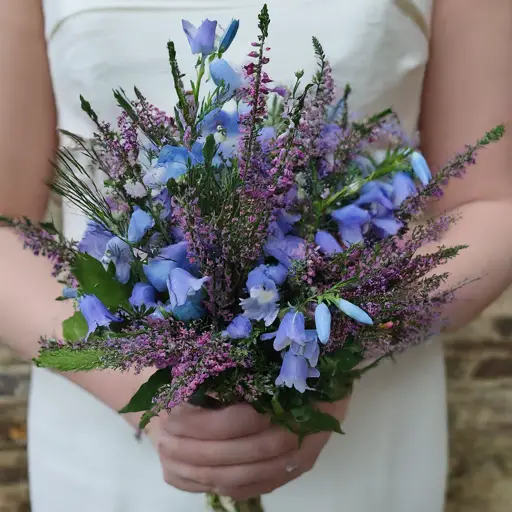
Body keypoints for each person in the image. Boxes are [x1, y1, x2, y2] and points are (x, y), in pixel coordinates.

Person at [0, 0, 510, 510]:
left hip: (366, 414)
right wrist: (151, 390)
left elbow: (493, 203)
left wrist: (330, 354)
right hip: (105, 421)